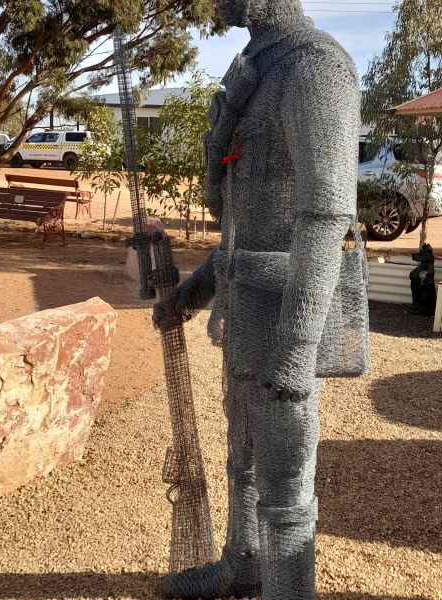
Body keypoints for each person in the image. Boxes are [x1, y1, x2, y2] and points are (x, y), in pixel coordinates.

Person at [153, 1, 365, 599]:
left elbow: (327, 211)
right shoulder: (256, 69)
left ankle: (289, 592)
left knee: (285, 482)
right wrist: (193, 292)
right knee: (241, 456)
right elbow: (242, 227)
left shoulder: (314, 66)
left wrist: (298, 347)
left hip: (286, 316)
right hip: (244, 313)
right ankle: (244, 564)